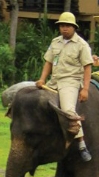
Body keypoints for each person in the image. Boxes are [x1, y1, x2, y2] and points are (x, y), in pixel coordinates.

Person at [36, 11, 94, 162]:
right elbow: (48, 62)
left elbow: (87, 67)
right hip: (54, 81)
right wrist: (42, 79)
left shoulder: (81, 45)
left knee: (68, 110)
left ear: (74, 27)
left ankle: (81, 144)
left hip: (70, 81)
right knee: (34, 101)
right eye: (62, 25)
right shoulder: (55, 42)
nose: (64, 28)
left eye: (68, 26)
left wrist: (85, 89)